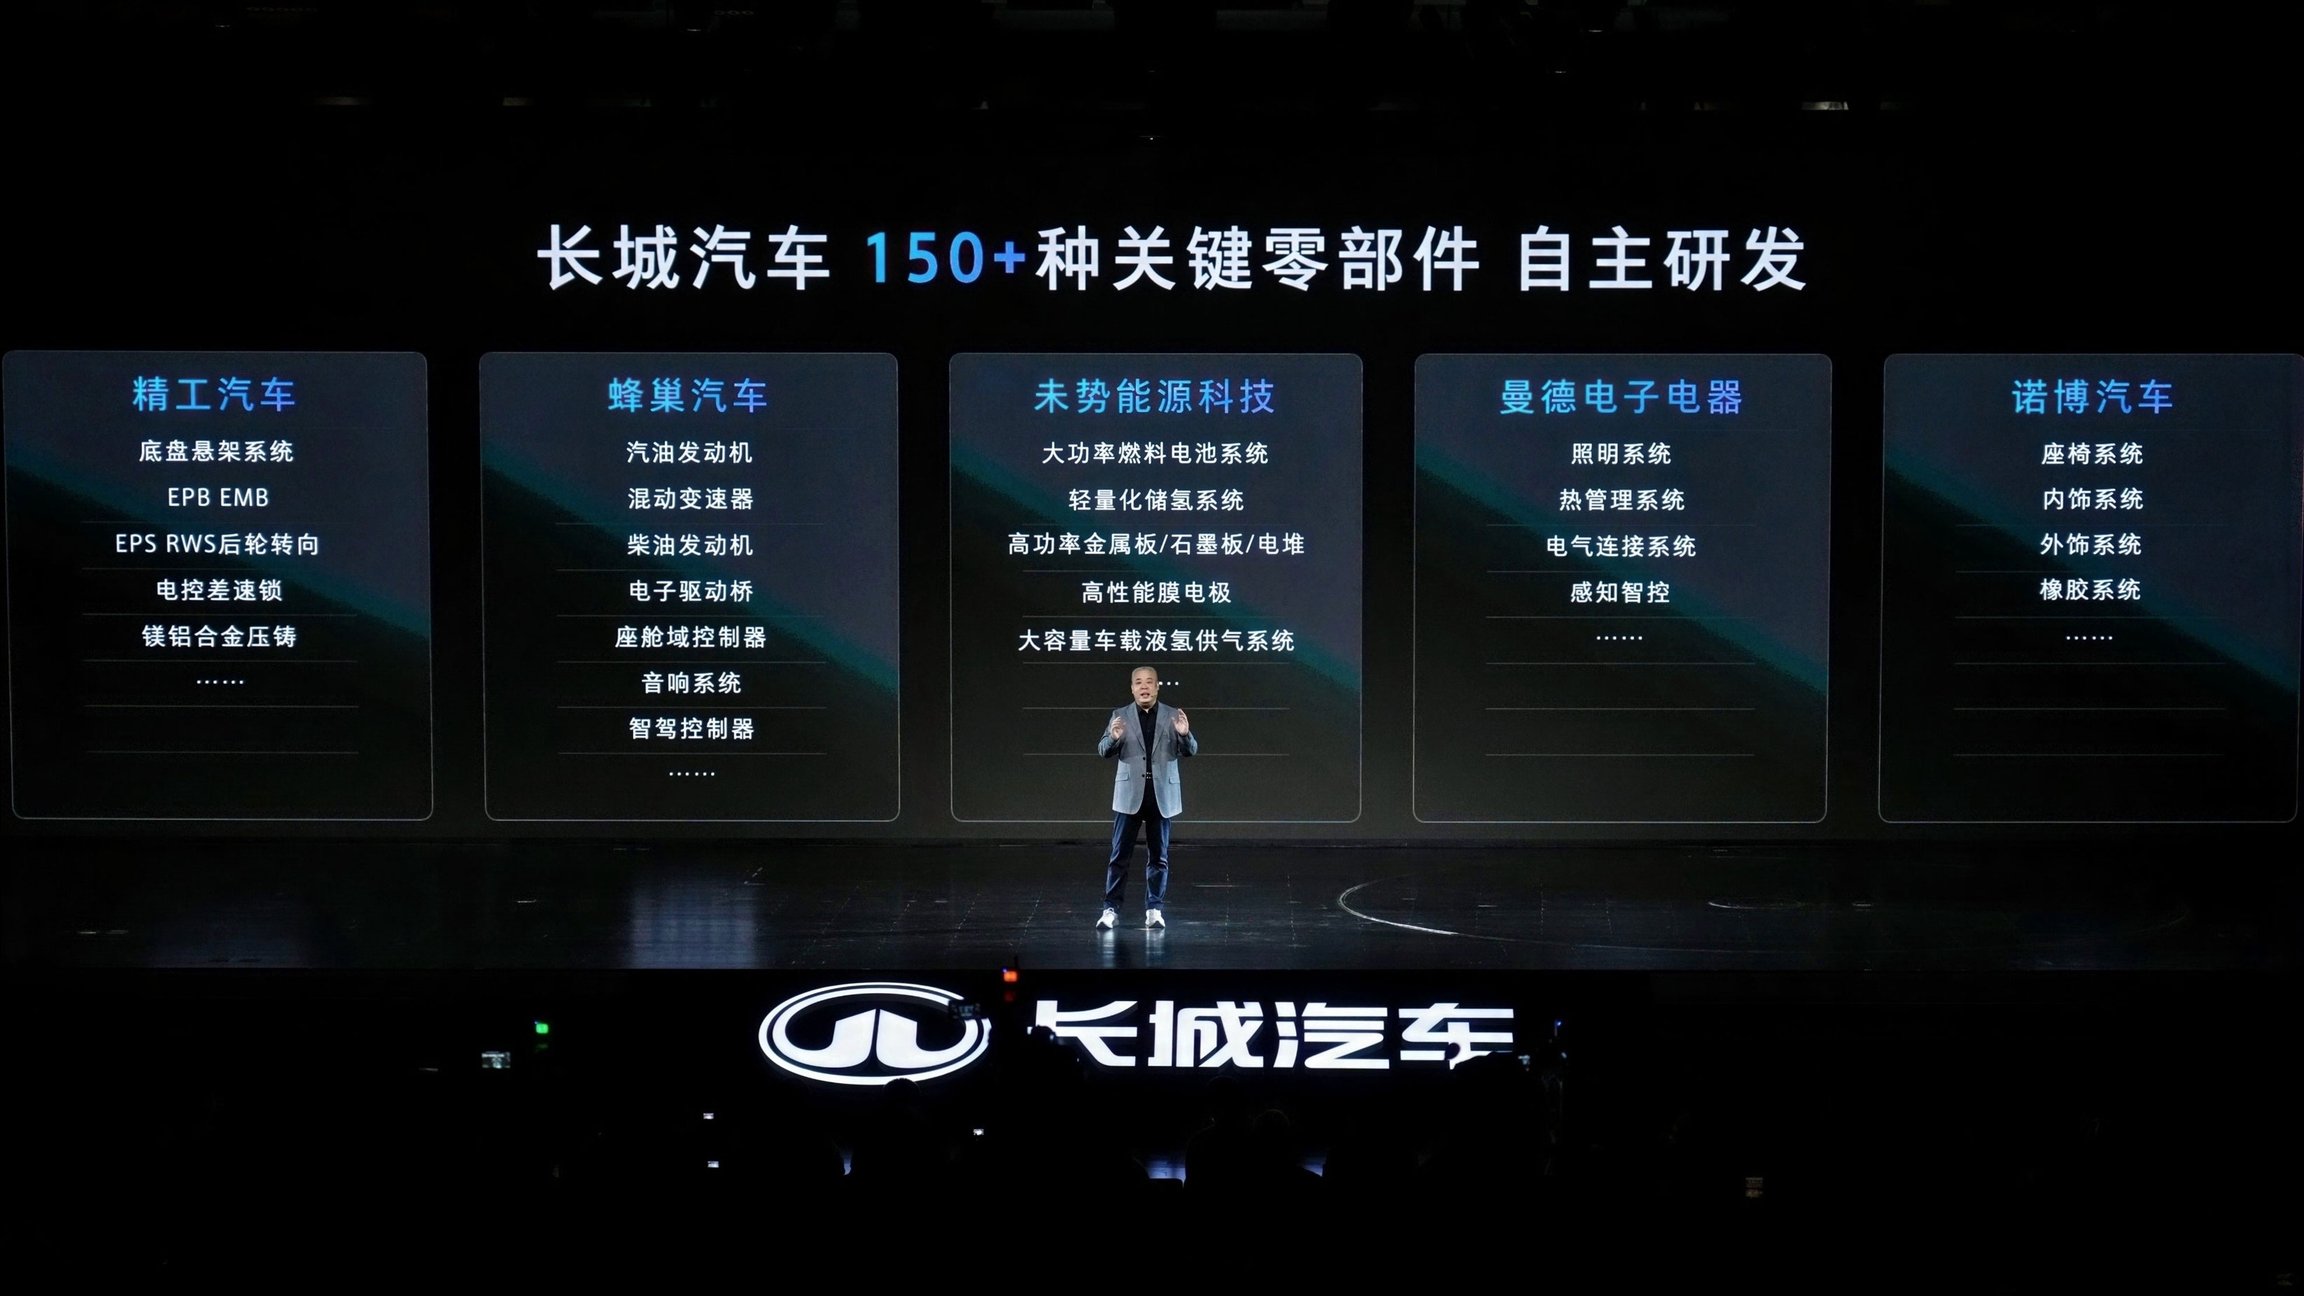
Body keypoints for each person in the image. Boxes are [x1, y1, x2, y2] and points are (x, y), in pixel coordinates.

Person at [1095, 666, 1195, 930]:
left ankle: (1154, 909)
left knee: (1159, 857)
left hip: (1161, 795)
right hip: (1129, 795)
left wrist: (1184, 734)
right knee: (1119, 856)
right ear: (1132, 688)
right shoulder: (1120, 715)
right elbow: (1103, 750)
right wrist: (1113, 738)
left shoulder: (1173, 715)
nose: (1144, 687)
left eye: (1149, 682)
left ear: (1157, 686)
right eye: (1138, 682)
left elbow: (1191, 750)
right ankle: (1110, 909)